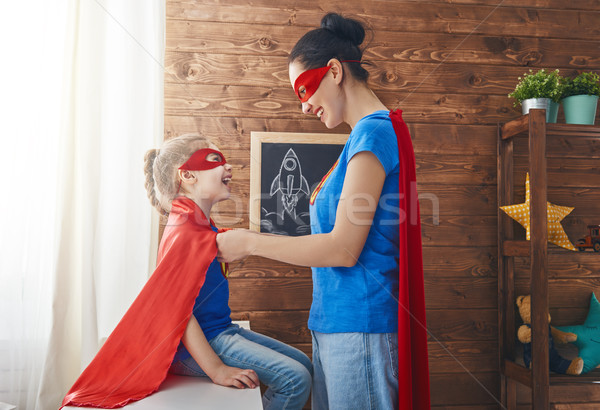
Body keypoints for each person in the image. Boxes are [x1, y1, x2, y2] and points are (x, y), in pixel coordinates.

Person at [217, 13, 430, 410]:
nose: (304, 107)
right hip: (336, 326)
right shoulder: (357, 141)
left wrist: (249, 242)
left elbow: (342, 249)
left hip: (361, 330)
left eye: (303, 90)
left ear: (333, 71)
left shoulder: (373, 134)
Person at [61, 134, 312, 410]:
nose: (228, 167)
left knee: (304, 364)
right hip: (202, 343)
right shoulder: (185, 229)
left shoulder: (197, 223)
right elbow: (175, 307)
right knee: (295, 378)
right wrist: (216, 368)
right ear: (188, 175)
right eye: (215, 159)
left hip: (220, 330)